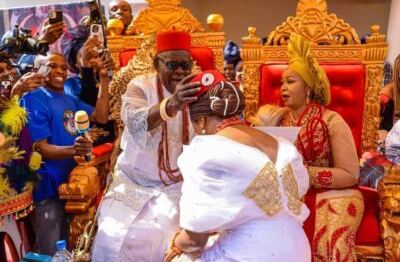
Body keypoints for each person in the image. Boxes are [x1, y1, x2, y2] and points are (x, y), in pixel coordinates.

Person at [163, 70, 310, 262]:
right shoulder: (283, 145)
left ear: (201, 121)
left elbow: (195, 240)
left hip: (249, 254)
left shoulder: (208, 151)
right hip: (298, 249)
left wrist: (175, 242)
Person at [253, 33, 363, 262]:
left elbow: (350, 174)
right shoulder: (275, 120)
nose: (283, 87)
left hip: (330, 194)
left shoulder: (332, 120)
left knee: (330, 232)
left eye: (290, 81)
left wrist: (303, 174)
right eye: (282, 82)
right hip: (283, 192)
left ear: (309, 88)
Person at [92, 30, 200, 262]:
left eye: (185, 64)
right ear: (156, 64)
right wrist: (171, 105)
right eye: (172, 64)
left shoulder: (197, 90)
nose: (180, 71)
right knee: (111, 237)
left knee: (168, 238)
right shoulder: (139, 86)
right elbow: (134, 121)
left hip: (180, 186)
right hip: (134, 182)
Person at [20, 51, 110, 255]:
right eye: (52, 66)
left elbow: (102, 116)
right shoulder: (33, 99)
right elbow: (40, 148)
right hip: (48, 186)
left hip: (73, 186)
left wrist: (103, 78)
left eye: (63, 67)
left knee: (68, 250)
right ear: (39, 70)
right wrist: (74, 150)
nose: (60, 71)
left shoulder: (69, 99)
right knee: (50, 251)